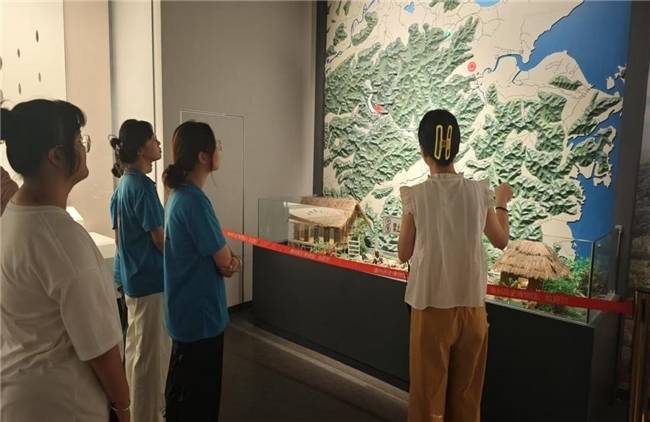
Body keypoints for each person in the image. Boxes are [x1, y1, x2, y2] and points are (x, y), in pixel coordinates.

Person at [0, 99, 130, 422]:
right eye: (79, 140)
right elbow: (100, 348)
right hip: (64, 403)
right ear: (56, 157)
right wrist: (123, 405)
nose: (84, 148)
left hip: (22, 395)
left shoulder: (14, 216)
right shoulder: (61, 237)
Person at [398, 109, 512, 422]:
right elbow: (501, 239)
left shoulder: (416, 196)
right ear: (455, 148)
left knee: (428, 400)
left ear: (424, 152)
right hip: (472, 309)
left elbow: (404, 252)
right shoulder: (479, 193)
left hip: (430, 306)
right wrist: (502, 202)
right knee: (466, 399)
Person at [163, 121, 240, 422]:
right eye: (215, 145)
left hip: (186, 313)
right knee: (199, 402)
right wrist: (232, 262)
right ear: (202, 156)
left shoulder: (178, 195)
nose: (219, 150)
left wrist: (226, 259)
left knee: (184, 394)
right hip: (200, 318)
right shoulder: (194, 201)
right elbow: (224, 259)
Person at [109, 119, 170, 422]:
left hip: (133, 281)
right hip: (151, 282)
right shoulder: (143, 188)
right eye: (153, 139)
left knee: (136, 352)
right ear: (140, 148)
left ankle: (136, 411)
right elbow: (160, 240)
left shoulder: (122, 186)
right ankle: (148, 416)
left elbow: (119, 239)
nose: (158, 144)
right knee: (151, 358)